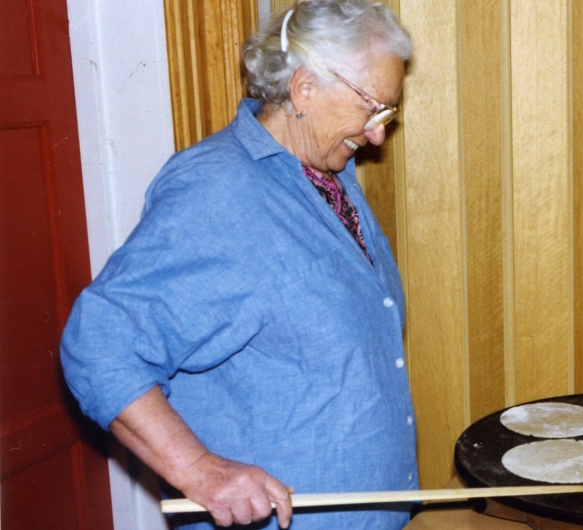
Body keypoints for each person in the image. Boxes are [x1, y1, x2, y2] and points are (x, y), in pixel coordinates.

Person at [60, 1, 416, 529]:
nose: (377, 134)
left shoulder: (327, 174)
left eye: (387, 114)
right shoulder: (216, 191)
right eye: (372, 109)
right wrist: (198, 469)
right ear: (305, 88)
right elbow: (100, 344)